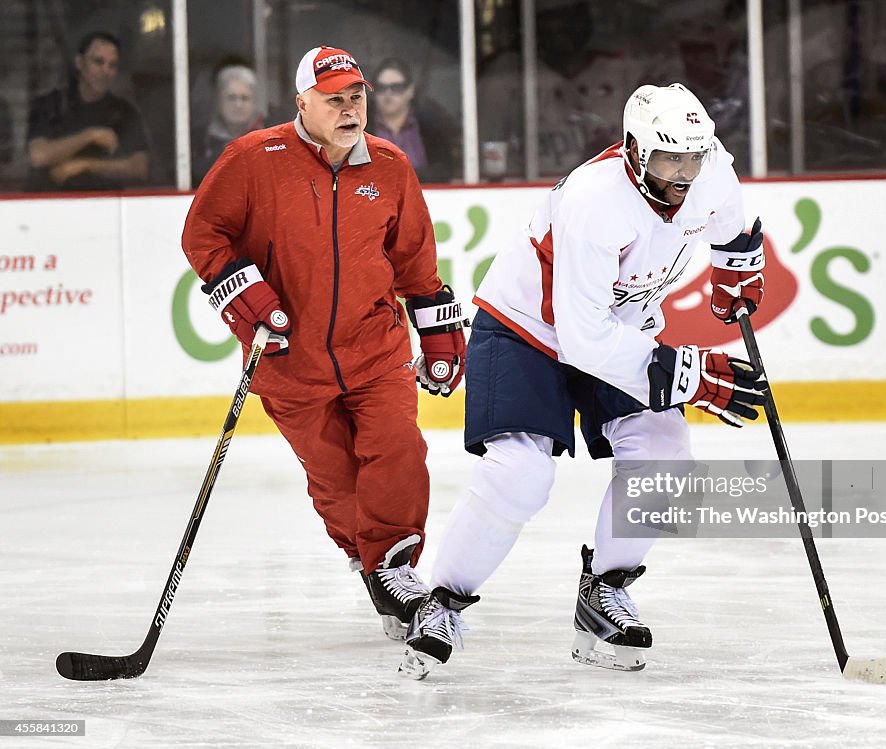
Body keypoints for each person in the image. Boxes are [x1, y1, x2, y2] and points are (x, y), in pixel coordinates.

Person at [398, 83, 768, 679]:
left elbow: (732, 220)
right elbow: (583, 338)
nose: (683, 174)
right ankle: (441, 601)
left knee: (665, 459)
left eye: (693, 158)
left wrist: (738, 267)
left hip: (620, 324)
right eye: (669, 159)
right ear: (633, 150)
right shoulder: (596, 200)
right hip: (527, 327)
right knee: (520, 472)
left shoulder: (710, 170)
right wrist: (689, 377)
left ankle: (604, 589)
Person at [181, 46, 468, 641]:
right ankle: (372, 563)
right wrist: (246, 299)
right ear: (301, 103)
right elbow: (202, 235)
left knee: (397, 451)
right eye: (333, 99)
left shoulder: (390, 166)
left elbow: (415, 262)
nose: (348, 109)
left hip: (375, 350)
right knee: (335, 480)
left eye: (355, 96)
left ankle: (392, 568)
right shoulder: (253, 158)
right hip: (290, 361)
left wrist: (438, 333)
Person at [26, 31, 150, 192]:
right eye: (98, 62)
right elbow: (38, 156)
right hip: (48, 205)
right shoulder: (50, 105)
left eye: (112, 65)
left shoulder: (123, 112)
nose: (105, 71)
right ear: (79, 63)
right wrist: (90, 136)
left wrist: (86, 165)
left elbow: (139, 167)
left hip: (105, 207)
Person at [367, 57, 457, 184]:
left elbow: (444, 171)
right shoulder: (361, 128)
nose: (388, 94)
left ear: (410, 91)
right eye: (381, 87)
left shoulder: (431, 126)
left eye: (396, 87)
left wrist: (401, 175)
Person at [192, 64, 265, 185]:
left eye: (244, 98)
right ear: (219, 101)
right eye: (231, 98)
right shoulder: (197, 139)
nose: (238, 105)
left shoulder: (272, 136)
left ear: (254, 102)